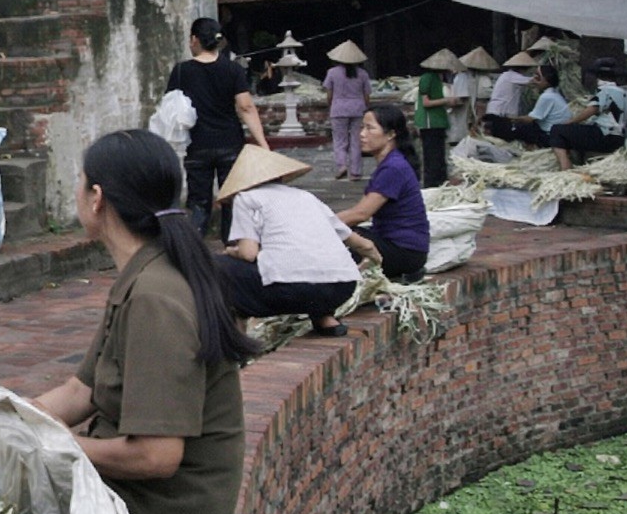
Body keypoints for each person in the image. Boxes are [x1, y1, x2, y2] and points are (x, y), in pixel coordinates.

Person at [32, 129, 261, 514]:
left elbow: (157, 456)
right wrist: (14, 418)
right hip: (133, 500)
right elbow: (82, 390)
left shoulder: (156, 297)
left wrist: (56, 446)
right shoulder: (143, 275)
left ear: (96, 197)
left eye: (80, 182)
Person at [214, 146, 381, 337]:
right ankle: (325, 319)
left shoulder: (246, 198)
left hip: (292, 291)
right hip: (341, 289)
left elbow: (248, 254)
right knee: (312, 261)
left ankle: (236, 336)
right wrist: (377, 264)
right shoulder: (306, 196)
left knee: (216, 266)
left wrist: (231, 252)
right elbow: (364, 245)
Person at [166, 17, 269, 243]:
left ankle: (194, 251)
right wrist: (262, 143)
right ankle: (233, 249)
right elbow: (245, 107)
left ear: (194, 39)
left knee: (198, 202)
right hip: (230, 143)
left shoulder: (181, 71)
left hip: (197, 145)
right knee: (232, 199)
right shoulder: (232, 69)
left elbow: (170, 109)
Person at [337, 105, 430, 282]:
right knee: (346, 235)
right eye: (362, 128)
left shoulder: (393, 168)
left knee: (340, 242)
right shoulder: (390, 163)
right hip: (398, 245)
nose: (362, 134)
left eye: (370, 128)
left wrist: (322, 224)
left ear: (390, 134)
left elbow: (361, 214)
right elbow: (358, 211)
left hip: (405, 252)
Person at [549, 57, 627, 170]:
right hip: (620, 137)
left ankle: (565, 167)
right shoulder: (625, 93)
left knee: (557, 130)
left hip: (604, 135)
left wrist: (570, 122)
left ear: (598, 76)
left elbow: (592, 109)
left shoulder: (606, 91)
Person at [322, 40, 372, 181]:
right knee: (356, 140)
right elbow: (367, 95)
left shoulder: (332, 73)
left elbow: (329, 94)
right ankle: (356, 172)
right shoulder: (363, 74)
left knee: (339, 140)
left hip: (338, 109)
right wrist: (366, 109)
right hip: (358, 109)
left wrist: (330, 106)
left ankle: (342, 165)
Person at [414, 48, 462, 188]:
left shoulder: (438, 78)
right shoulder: (427, 78)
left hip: (439, 121)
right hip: (429, 122)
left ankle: (441, 180)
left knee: (439, 154)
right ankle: (432, 183)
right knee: (432, 155)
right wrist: (447, 101)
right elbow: (426, 102)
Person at [504, 64, 571, 148]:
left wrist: (512, 119)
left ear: (547, 80)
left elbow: (529, 119)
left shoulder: (546, 97)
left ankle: (531, 148)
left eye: (538, 78)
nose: (534, 80)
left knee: (520, 127)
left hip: (551, 135)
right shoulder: (555, 93)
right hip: (558, 132)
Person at [482, 51, 536, 137]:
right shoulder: (511, 76)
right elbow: (532, 81)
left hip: (496, 111)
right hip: (500, 113)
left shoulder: (506, 75)